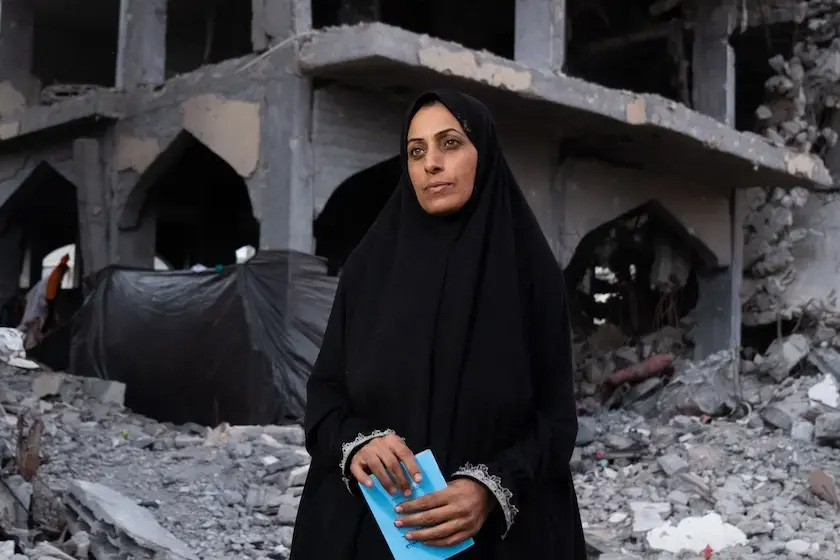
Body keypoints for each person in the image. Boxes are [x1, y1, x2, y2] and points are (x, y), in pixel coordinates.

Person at [290, 89, 585, 559]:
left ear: (482, 154)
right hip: (371, 534)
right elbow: (325, 396)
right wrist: (358, 445)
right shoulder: (369, 269)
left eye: (449, 144)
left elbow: (556, 420)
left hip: (498, 542)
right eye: (416, 150)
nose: (431, 164)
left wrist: (490, 488)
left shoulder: (529, 270)